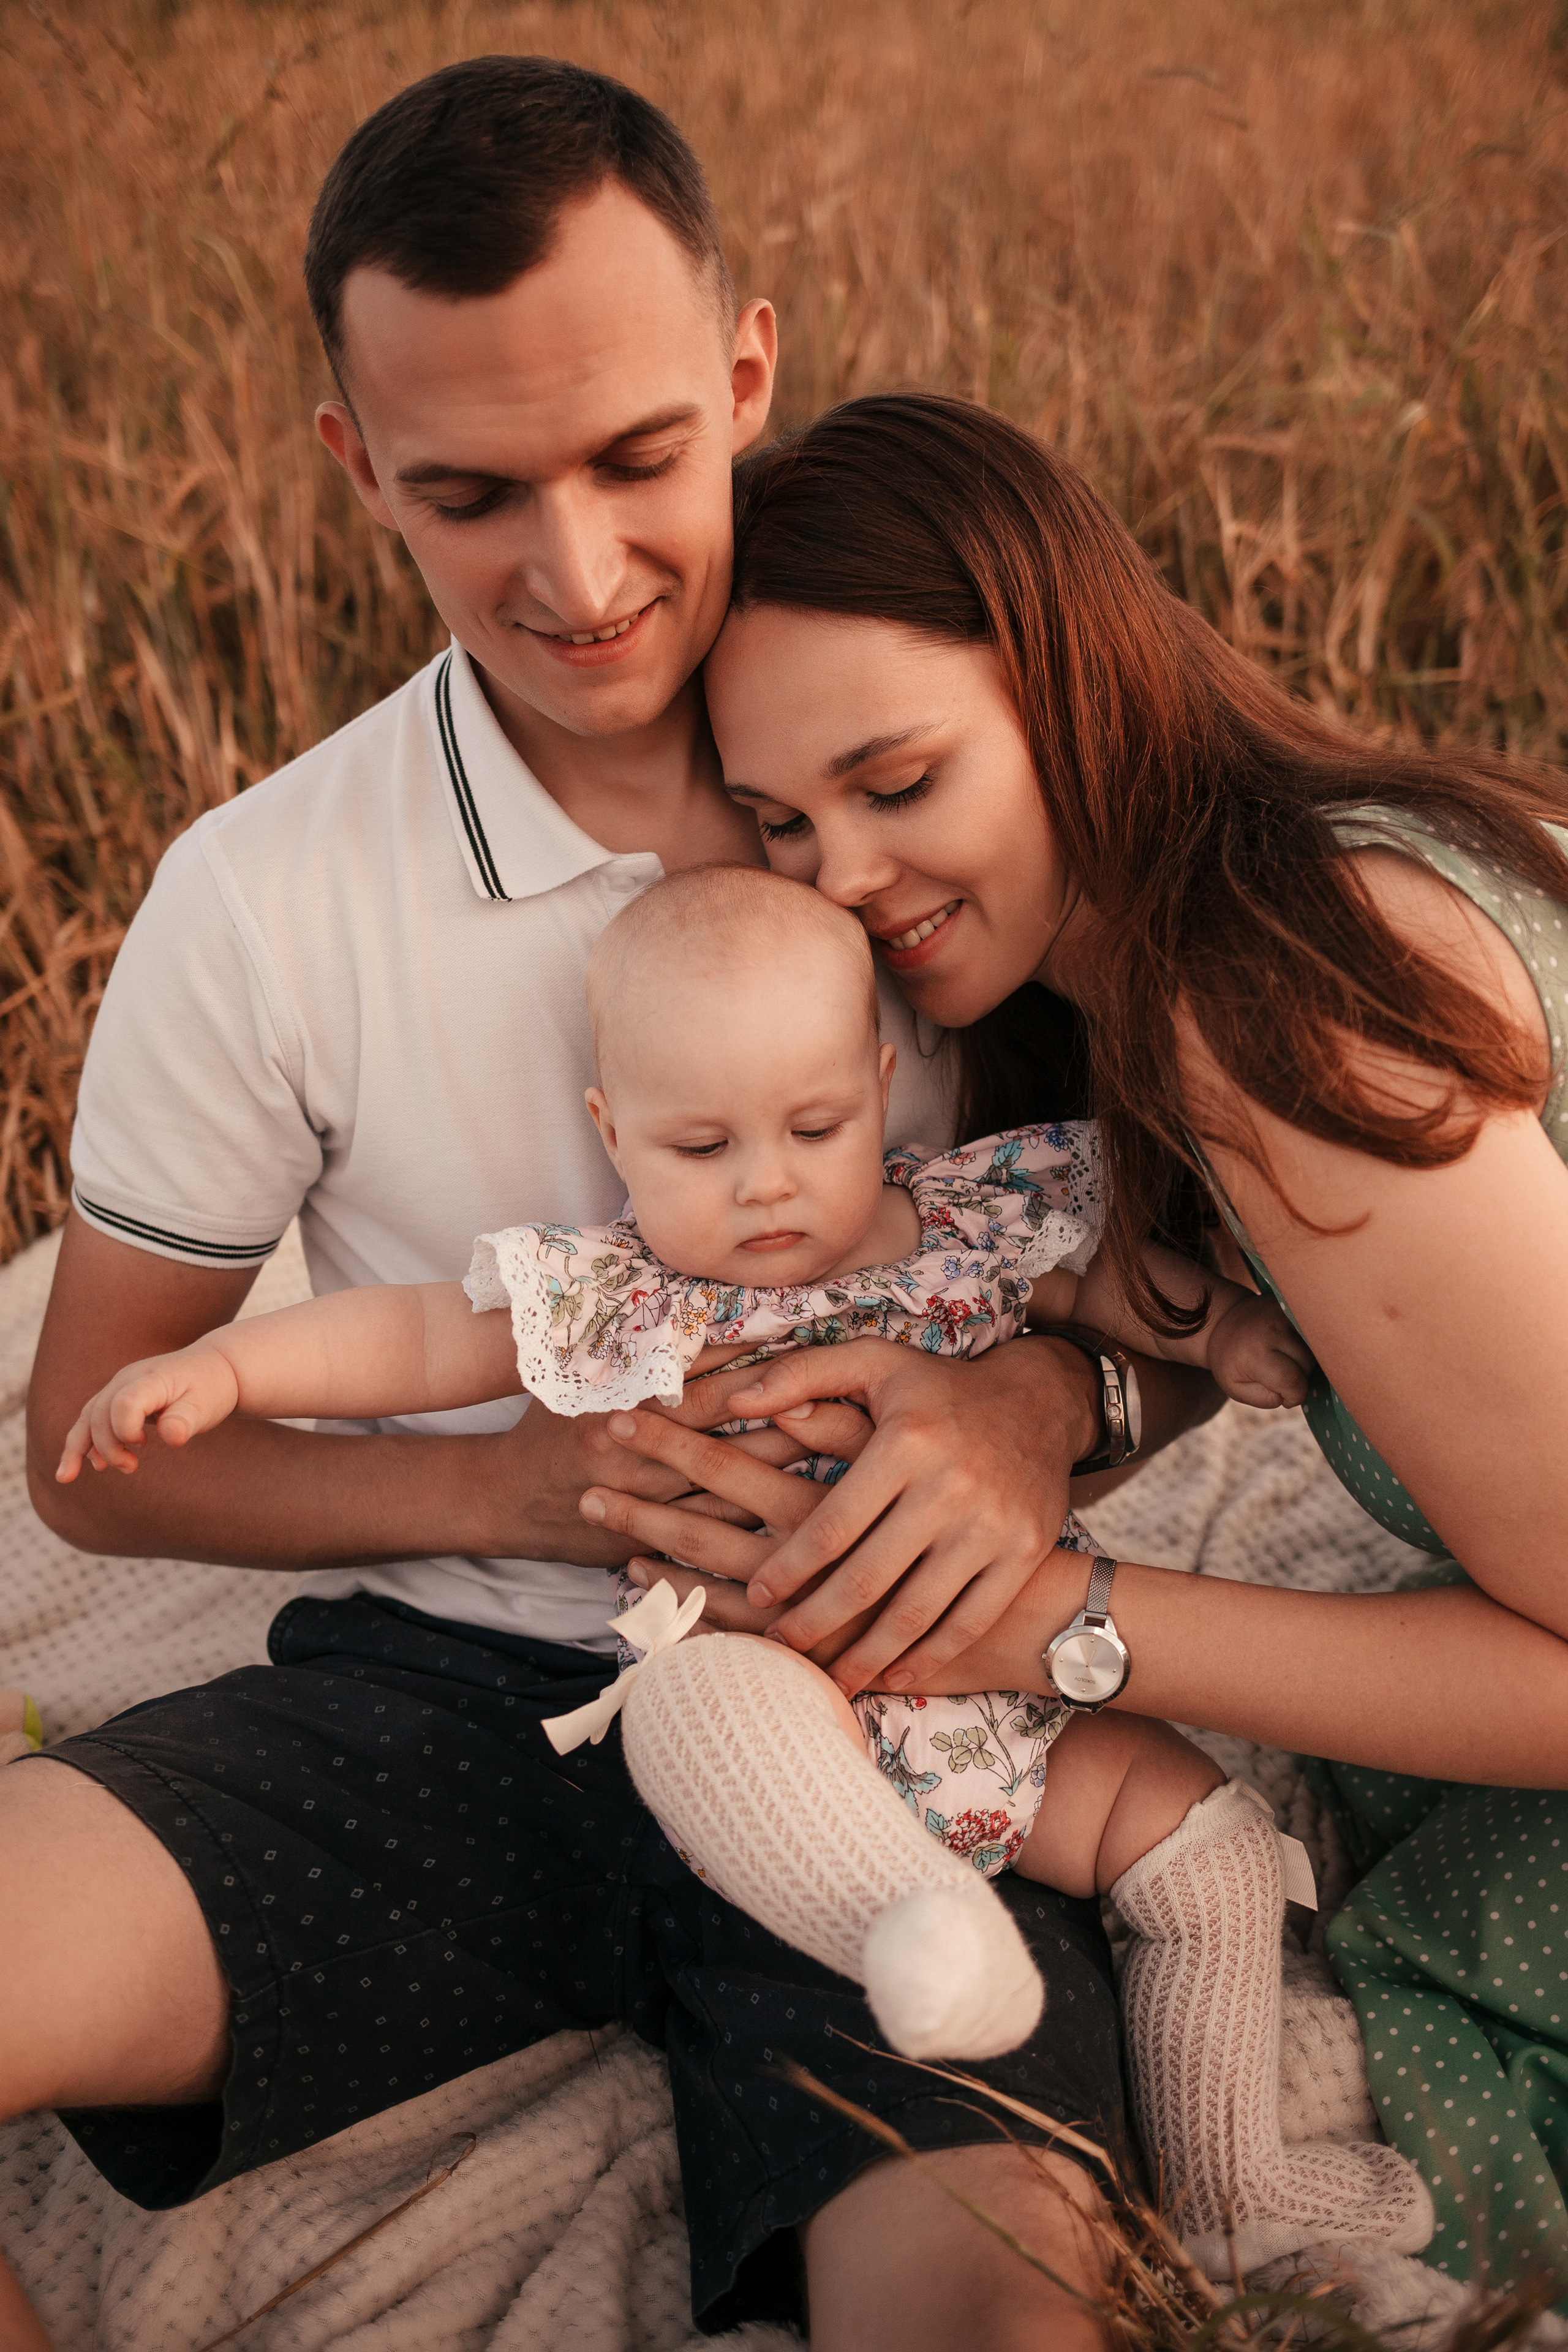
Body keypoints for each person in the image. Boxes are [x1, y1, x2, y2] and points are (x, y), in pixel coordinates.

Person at [4, 59, 1219, 2352]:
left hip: (899, 1716)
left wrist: (1047, 1406)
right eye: (470, 494)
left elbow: (1137, 1258)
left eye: (642, 458)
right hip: (454, 1710)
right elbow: (93, 1453)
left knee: (996, 2323)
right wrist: (524, 1486)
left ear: (746, 369)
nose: (577, 574)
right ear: (355, 467)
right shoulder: (260, 900)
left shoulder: (922, 781)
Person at [56, 863, 1423, 2269]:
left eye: (814, 1126)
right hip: (772, 1685)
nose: (766, 1184)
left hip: (991, 1686)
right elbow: (415, 1339)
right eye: (699, 1148)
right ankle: (900, 1917)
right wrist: (227, 1366)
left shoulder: (963, 1223)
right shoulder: (629, 1288)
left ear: (879, 1080)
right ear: (613, 1132)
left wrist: (1219, 1338)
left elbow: (1105, 1280)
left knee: (1205, 1857)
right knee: (700, 1704)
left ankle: (1232, 2178)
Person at [578, 390, 1568, 2305]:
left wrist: (1046, 1618)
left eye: (899, 780)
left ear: (1071, 682)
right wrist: (1040, 1389)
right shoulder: (1213, 927)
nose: (843, 879)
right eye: (783, 822)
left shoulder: (1281, 1001)